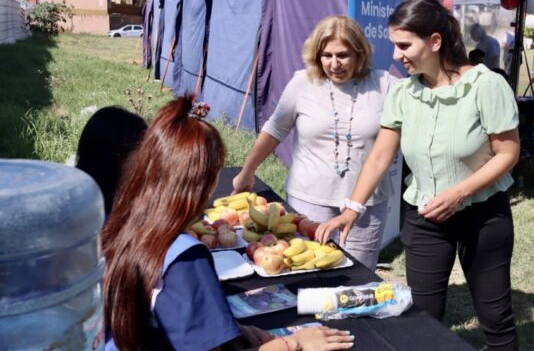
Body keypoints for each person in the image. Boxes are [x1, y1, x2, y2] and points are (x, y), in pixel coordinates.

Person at [317, 0, 520, 350]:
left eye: (404, 45)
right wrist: (352, 209)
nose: (396, 55)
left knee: (495, 318)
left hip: (483, 217)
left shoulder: (486, 86)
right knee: (422, 318)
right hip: (425, 217)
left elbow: (508, 152)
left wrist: (460, 193)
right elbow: (381, 154)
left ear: (435, 42)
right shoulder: (404, 93)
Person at [102, 98, 354, 351]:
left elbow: (162, 317)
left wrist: (229, 330)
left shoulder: (117, 225)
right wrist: (295, 343)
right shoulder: (185, 258)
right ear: (204, 184)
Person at [231, 15, 397, 271]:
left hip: (366, 207)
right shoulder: (303, 82)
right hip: (309, 202)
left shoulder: (384, 85)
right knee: (308, 274)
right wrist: (247, 171)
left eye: (343, 55)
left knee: (357, 279)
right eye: (326, 55)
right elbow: (275, 130)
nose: (334, 64)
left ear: (360, 53)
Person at [76, 106, 147, 216]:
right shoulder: (117, 220)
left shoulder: (73, 203)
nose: (148, 164)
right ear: (120, 159)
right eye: (143, 153)